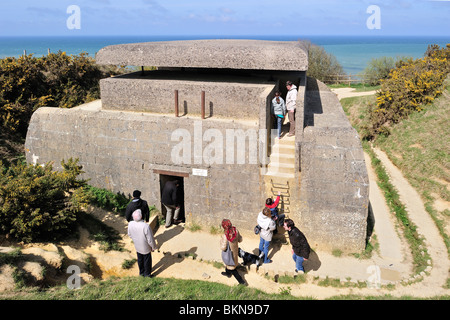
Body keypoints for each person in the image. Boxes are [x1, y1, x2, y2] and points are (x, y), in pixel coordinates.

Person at [127, 209, 157, 277]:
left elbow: (129, 234)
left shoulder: (130, 224)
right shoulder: (145, 226)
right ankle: (147, 274)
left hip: (137, 245)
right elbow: (150, 239)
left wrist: (135, 239)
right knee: (147, 261)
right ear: (141, 216)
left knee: (140, 259)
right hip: (145, 246)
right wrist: (153, 247)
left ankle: (141, 272)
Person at [220, 219, 246, 285]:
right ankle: (228, 273)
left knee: (232, 268)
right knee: (230, 264)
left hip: (229, 254)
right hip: (235, 252)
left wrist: (220, 241)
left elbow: (223, 247)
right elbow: (240, 239)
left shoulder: (225, 236)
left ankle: (241, 282)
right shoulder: (235, 230)